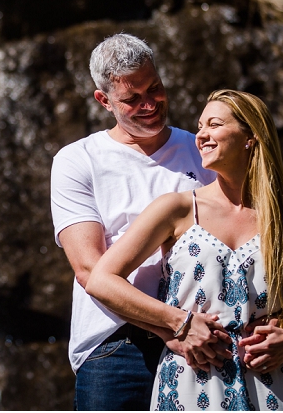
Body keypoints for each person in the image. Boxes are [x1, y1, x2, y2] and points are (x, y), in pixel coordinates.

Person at [86, 89, 283, 410]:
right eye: (200, 126)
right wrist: (178, 323)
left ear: (250, 136)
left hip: (269, 388)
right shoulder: (177, 209)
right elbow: (101, 280)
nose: (201, 135)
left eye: (214, 124)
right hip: (190, 385)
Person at [51, 33, 227, 410]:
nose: (150, 104)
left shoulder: (202, 150)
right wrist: (172, 327)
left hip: (206, 332)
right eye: (132, 99)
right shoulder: (77, 160)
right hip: (116, 343)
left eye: (156, 88)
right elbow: (88, 270)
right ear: (104, 101)